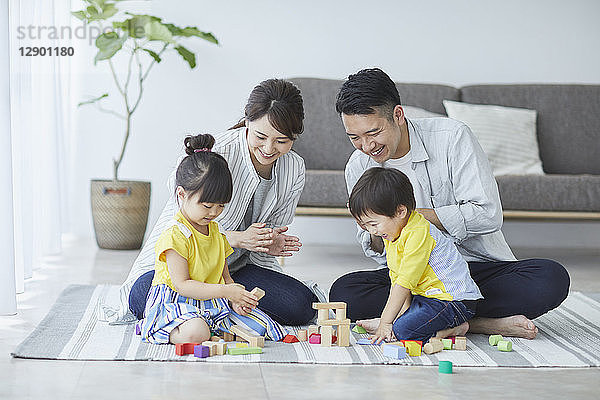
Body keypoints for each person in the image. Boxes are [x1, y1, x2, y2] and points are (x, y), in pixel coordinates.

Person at [329, 68, 570, 339]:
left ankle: (436, 317)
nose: (366, 146)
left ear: (398, 115)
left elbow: (488, 215)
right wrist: (378, 229)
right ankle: (479, 323)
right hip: (413, 278)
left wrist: (414, 219)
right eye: (354, 137)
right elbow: (378, 252)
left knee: (550, 278)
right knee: (344, 293)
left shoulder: (452, 137)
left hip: (473, 268)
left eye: (373, 132)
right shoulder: (358, 165)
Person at [102, 79, 318, 327]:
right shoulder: (216, 154)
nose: (269, 148)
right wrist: (238, 239)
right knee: (142, 295)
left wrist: (269, 242)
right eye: (261, 136)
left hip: (233, 271)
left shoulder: (294, 167)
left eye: (282, 141)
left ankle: (209, 309)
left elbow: (271, 230)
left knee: (301, 306)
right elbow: (184, 228)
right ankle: (218, 309)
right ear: (247, 120)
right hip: (181, 270)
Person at [138, 134, 286, 344]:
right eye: (207, 206)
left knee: (261, 327)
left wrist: (235, 300)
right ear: (181, 194)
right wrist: (225, 291)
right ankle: (158, 328)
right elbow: (182, 285)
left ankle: (212, 326)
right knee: (197, 332)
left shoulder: (216, 232)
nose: (214, 212)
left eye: (220, 206)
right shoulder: (175, 235)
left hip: (212, 302)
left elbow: (225, 276)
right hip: (177, 302)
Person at [348, 167, 482, 344]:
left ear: (401, 212)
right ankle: (404, 325)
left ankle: (453, 329)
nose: (372, 231)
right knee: (403, 321)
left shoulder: (418, 232)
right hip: (428, 298)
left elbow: (405, 283)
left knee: (403, 331)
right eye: (366, 226)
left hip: (454, 301)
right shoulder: (392, 231)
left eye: (374, 224)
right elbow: (396, 277)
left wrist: (386, 323)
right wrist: (399, 316)